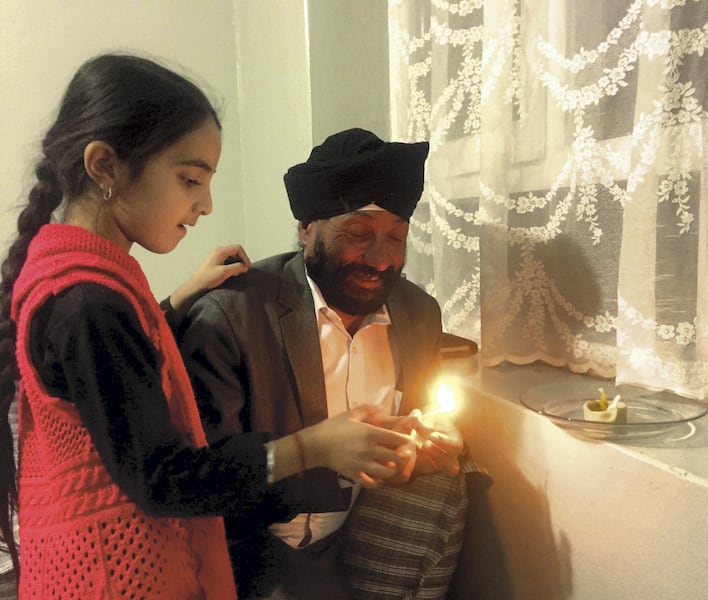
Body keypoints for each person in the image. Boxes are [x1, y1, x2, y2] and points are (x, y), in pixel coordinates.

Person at [0, 56, 415, 599]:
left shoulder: (79, 276)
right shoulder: (91, 303)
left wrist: (173, 300)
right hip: (118, 575)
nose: (205, 204)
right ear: (104, 166)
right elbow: (165, 479)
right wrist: (312, 447)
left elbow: (110, 375)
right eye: (190, 178)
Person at [178, 127, 474, 599]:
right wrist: (315, 452)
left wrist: (430, 445)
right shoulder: (233, 314)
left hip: (350, 543)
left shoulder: (418, 316)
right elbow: (202, 478)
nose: (381, 259)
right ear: (306, 228)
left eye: (397, 237)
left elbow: (412, 431)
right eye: (358, 233)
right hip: (243, 552)